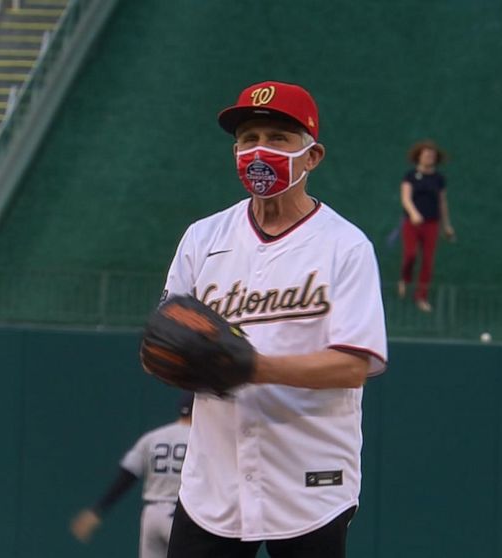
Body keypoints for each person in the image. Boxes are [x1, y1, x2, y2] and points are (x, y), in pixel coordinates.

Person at [160, 81, 388, 558]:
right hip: (213, 482)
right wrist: (173, 356)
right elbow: (166, 339)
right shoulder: (203, 238)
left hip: (310, 479)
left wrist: (254, 366)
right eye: (248, 138)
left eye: (278, 138)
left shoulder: (345, 246)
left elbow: (353, 365)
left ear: (313, 156)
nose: (259, 150)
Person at [70, 392, 194, 558]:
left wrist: (98, 510)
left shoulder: (152, 437)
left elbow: (127, 475)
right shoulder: (200, 439)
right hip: (182, 516)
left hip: (152, 516)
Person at [397, 140, 456, 312]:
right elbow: (406, 198)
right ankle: (405, 280)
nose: (429, 157)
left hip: (432, 224)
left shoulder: (439, 179)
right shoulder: (410, 176)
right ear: (419, 156)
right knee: (410, 254)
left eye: (432, 155)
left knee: (427, 261)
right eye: (426, 154)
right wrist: (414, 213)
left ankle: (421, 297)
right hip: (412, 223)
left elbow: (442, 203)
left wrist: (446, 226)